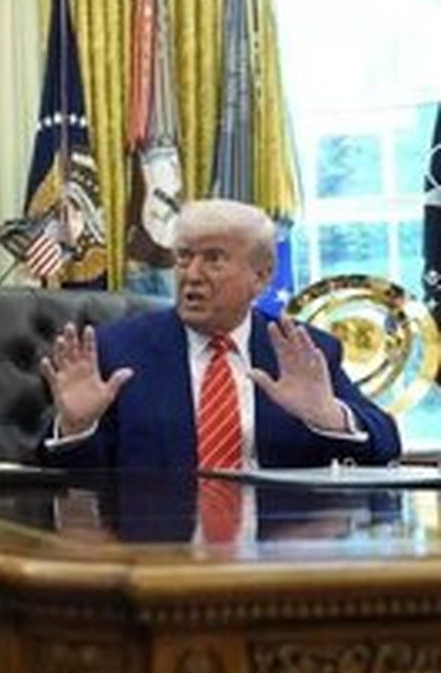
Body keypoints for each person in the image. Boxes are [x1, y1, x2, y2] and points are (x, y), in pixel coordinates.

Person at [39, 199, 400, 471]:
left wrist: (329, 416)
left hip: (280, 540)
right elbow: (62, 476)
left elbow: (386, 444)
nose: (192, 274)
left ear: (261, 276)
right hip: (158, 539)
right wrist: (75, 428)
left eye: (213, 259)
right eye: (184, 257)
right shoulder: (117, 350)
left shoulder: (303, 352)